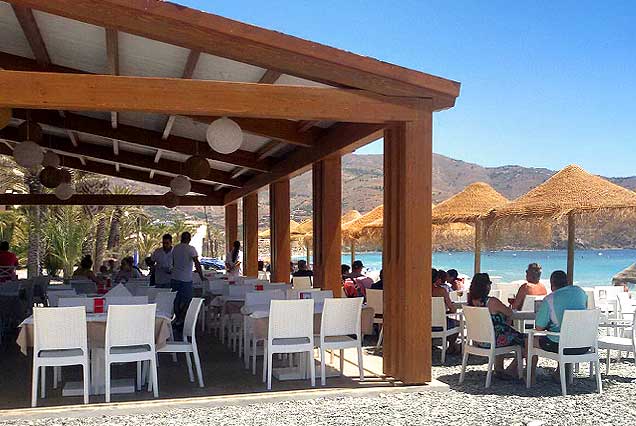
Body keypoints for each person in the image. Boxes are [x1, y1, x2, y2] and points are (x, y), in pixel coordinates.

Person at [530, 270, 589, 382]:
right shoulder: (580, 292)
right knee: (563, 332)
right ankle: (560, 373)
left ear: (552, 284)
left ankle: (530, 375)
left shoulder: (550, 299)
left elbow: (538, 328)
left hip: (563, 346)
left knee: (530, 341)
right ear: (567, 281)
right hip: (584, 344)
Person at [468, 272, 525, 379]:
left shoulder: (471, 301)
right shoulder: (492, 301)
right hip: (493, 340)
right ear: (486, 286)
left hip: (479, 340)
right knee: (526, 341)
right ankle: (512, 369)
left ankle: (499, 369)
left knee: (503, 334)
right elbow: (510, 313)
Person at [172, 232, 206, 330]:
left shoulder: (175, 248)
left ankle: (178, 318)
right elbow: (197, 263)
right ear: (189, 239)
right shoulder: (191, 249)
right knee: (188, 300)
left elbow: (174, 263)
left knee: (176, 300)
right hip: (186, 279)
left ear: (181, 238)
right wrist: (201, 276)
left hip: (175, 277)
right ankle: (181, 319)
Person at [432, 269, 459, 354]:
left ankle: (430, 344)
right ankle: (450, 347)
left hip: (423, 324)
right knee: (457, 324)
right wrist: (446, 312)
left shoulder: (420, 290)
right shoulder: (441, 291)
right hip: (440, 325)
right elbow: (453, 309)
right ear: (437, 278)